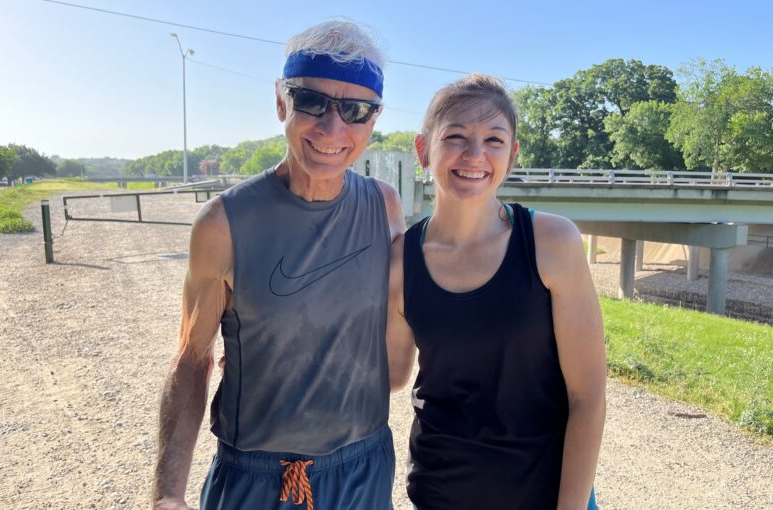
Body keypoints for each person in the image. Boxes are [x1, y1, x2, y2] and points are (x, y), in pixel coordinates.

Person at [152, 20, 406, 510]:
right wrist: (168, 493)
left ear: (374, 119)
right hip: (259, 478)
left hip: (364, 468)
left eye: (355, 109)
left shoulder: (385, 207)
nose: (333, 128)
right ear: (279, 101)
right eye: (311, 100)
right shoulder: (222, 224)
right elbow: (191, 358)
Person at [386, 74, 606, 509]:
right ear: (422, 149)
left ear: (513, 153)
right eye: (455, 136)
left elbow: (588, 396)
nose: (475, 154)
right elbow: (390, 374)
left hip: (543, 495)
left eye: (494, 139)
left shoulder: (551, 242)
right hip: (439, 494)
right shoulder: (399, 261)